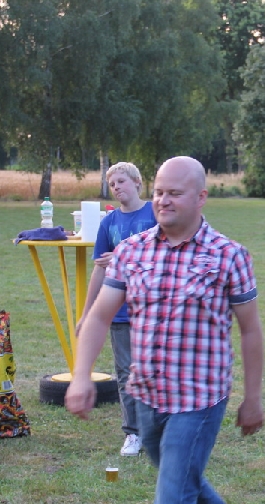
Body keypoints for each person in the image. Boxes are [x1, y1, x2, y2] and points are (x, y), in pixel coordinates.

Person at [65, 156, 265, 504]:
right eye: (158, 192)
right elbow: (99, 316)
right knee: (182, 480)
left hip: (199, 399)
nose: (162, 200)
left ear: (201, 197)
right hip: (146, 395)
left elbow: (250, 330)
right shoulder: (131, 252)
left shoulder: (229, 256)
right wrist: (81, 377)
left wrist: (253, 398)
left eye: (174, 193)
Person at [77, 162, 157, 457]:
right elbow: (99, 270)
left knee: (154, 370)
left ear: (137, 182)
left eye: (121, 181)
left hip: (153, 309)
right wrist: (87, 314)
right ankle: (133, 433)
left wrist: (124, 257)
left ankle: (158, 431)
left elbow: (166, 255)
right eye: (112, 184)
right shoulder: (108, 223)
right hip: (120, 312)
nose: (117, 188)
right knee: (126, 373)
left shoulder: (155, 214)